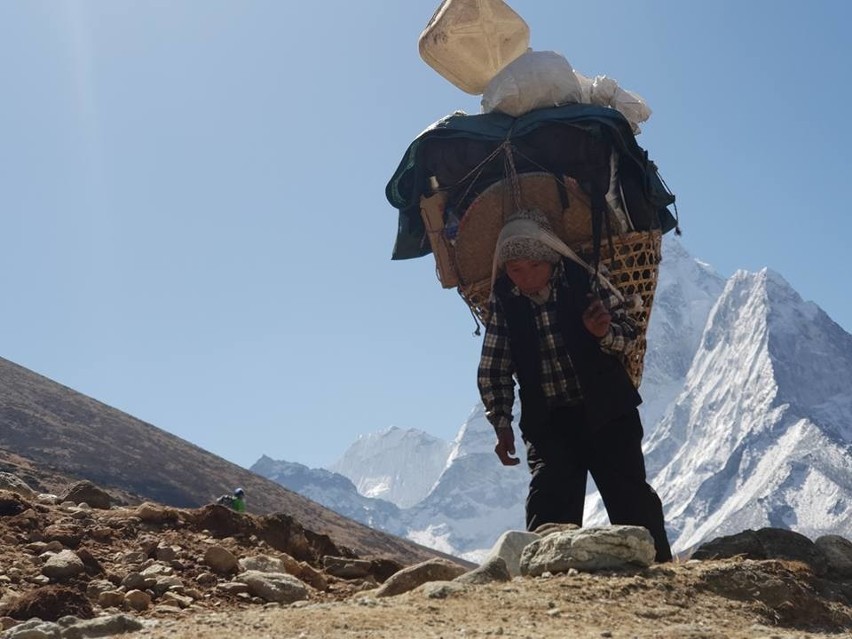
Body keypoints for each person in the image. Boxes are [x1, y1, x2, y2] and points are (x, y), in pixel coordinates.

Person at [477, 208, 672, 562]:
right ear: (506, 271)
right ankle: (545, 582)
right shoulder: (504, 302)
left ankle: (658, 571)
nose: (527, 278)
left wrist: (604, 334)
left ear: (551, 259)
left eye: (535, 267)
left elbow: (631, 336)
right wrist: (501, 420)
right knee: (548, 506)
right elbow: (494, 365)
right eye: (516, 270)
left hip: (608, 413)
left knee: (631, 499)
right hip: (550, 423)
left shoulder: (587, 280)